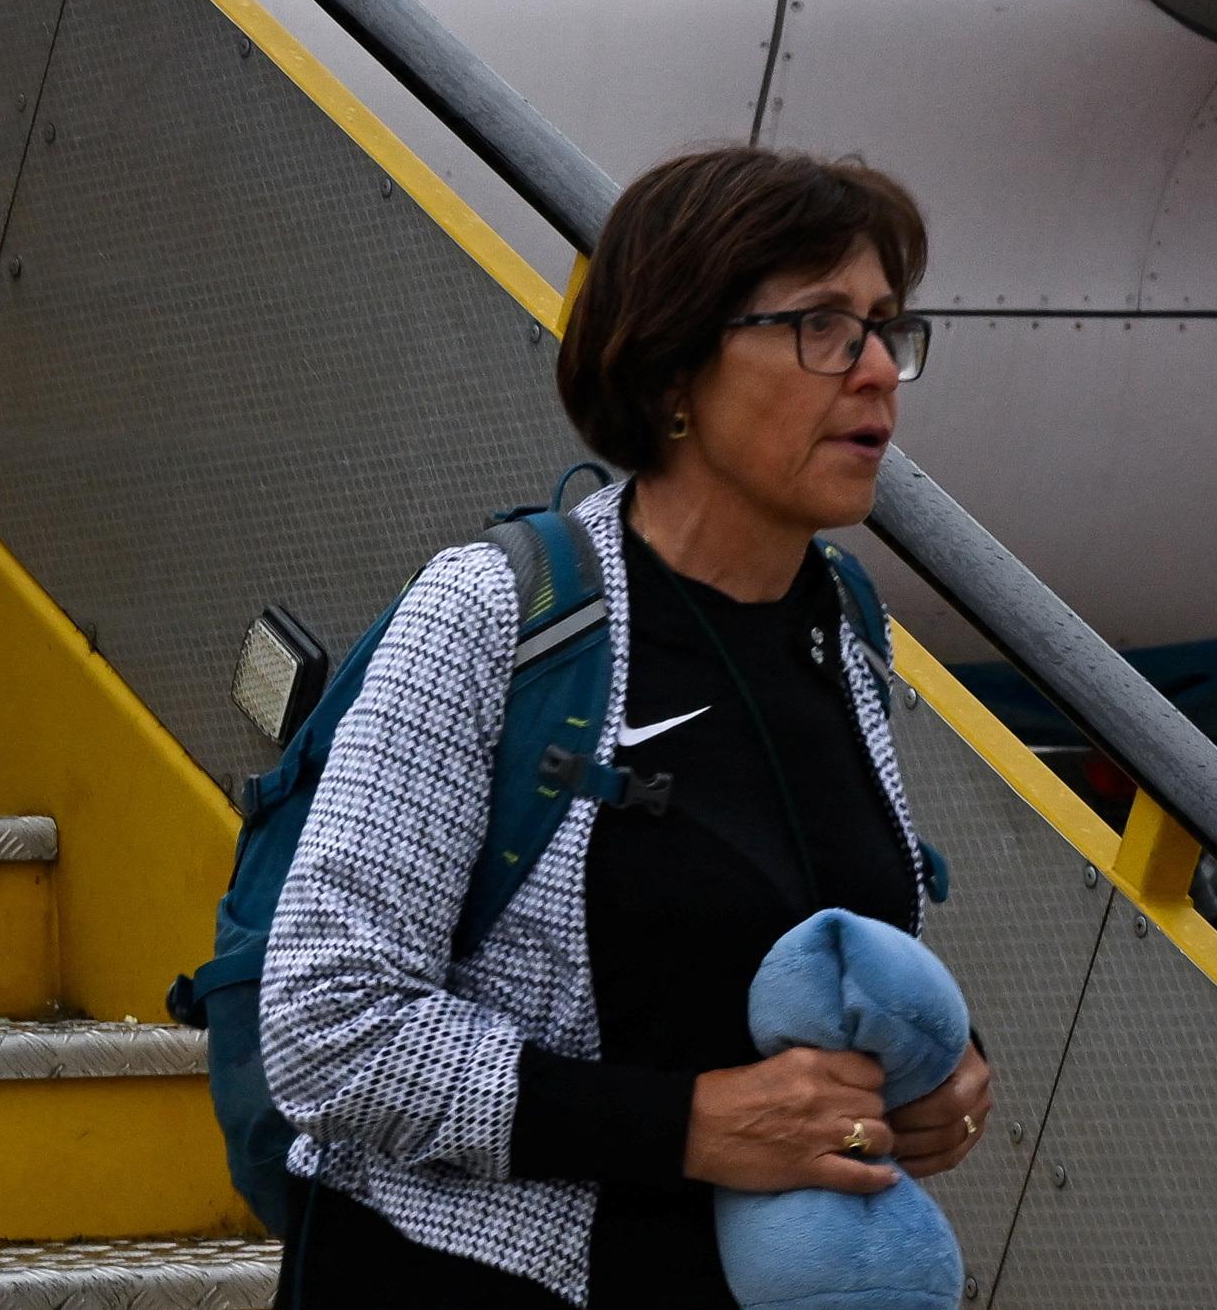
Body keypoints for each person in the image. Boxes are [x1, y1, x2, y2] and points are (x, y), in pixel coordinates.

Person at [262, 147, 998, 1306]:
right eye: (820, 325)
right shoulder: (497, 613)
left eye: (883, 328)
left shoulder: (845, 624)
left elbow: (796, 938)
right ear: (675, 369)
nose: (874, 373)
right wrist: (692, 1124)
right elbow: (327, 1023)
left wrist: (937, 1071)